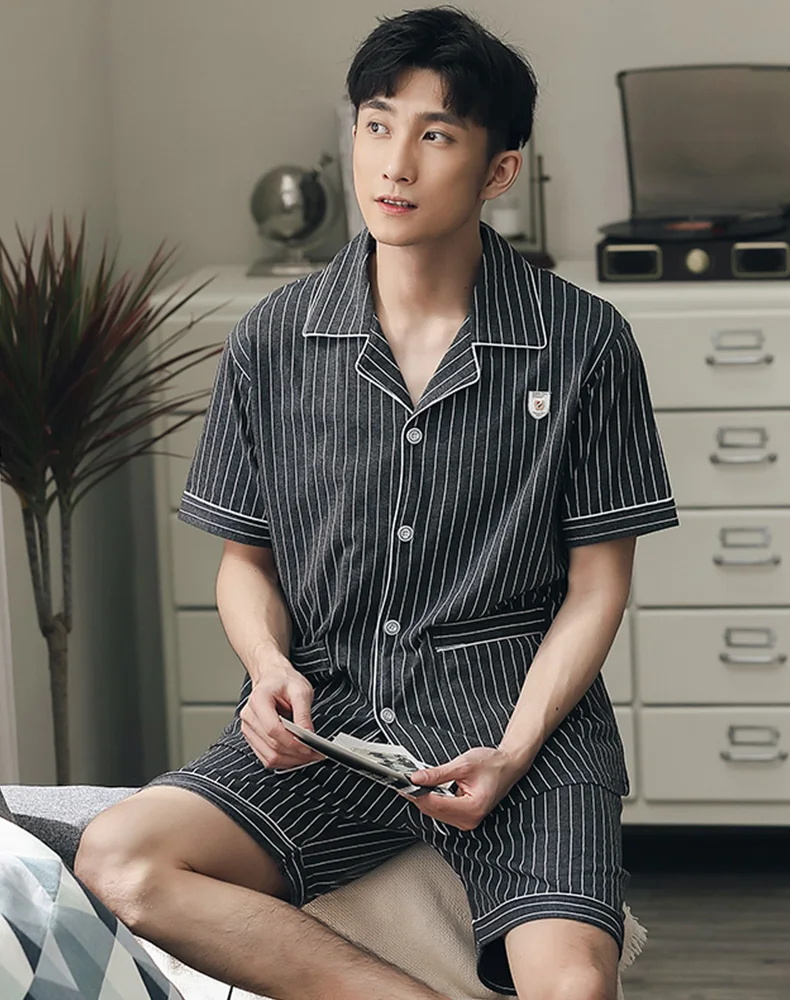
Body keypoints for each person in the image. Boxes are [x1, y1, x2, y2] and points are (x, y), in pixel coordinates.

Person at [76, 7, 678, 999]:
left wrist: (514, 747)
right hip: (334, 718)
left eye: (435, 135)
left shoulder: (585, 342)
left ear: (497, 171)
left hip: (518, 727)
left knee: (574, 986)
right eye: (376, 125)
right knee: (121, 857)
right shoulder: (273, 339)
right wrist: (268, 668)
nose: (394, 163)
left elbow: (595, 586)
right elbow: (246, 561)